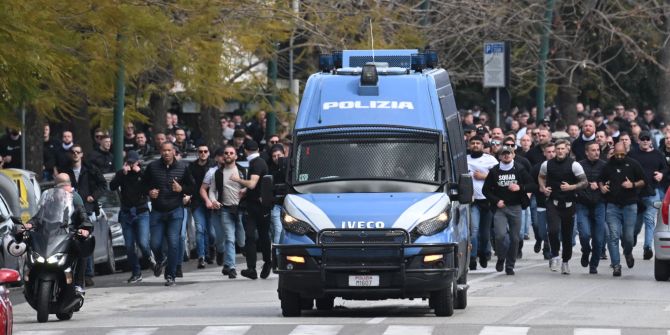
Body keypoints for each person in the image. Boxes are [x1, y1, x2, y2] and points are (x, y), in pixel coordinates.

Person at [19, 173, 93, 293]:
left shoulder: (75, 198)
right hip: (50, 235)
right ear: (56, 188)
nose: (65, 191)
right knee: (31, 247)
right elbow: (38, 217)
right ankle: (29, 281)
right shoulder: (49, 200)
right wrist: (29, 224)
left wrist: (84, 228)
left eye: (66, 187)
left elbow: (83, 216)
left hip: (68, 236)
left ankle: (78, 284)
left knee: (81, 250)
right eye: (61, 188)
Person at [143, 142, 195, 286]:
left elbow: (192, 187)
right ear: (161, 152)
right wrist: (149, 192)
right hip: (157, 211)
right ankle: (161, 259)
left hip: (175, 210)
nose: (166, 153)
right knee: (154, 243)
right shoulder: (152, 167)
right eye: (164, 150)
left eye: (169, 150)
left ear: (173, 152)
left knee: (173, 243)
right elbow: (143, 184)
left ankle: (170, 275)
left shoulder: (183, 167)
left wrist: (181, 188)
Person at [482, 145, 536, 275]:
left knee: (515, 238)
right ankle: (501, 257)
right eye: (503, 154)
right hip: (501, 208)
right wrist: (496, 201)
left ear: (513, 155)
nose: (506, 155)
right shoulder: (495, 171)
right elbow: (486, 190)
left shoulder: (520, 169)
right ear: (499, 156)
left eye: (509, 153)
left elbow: (533, 185)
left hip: (516, 207)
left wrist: (520, 187)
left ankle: (510, 265)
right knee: (500, 235)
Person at [538, 139, 588, 274]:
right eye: (557, 149)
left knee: (567, 235)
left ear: (567, 149)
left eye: (562, 149)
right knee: (553, 230)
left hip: (569, 203)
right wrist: (543, 188)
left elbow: (584, 182)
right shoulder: (547, 164)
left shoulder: (575, 165)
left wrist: (571, 187)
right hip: (553, 202)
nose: (559, 151)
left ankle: (565, 261)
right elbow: (541, 177)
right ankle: (555, 256)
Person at [61, 144, 107, 286]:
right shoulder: (65, 171)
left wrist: (93, 196)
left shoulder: (90, 169)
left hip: (87, 209)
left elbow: (103, 185)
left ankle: (87, 274)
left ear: (82, 155)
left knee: (86, 241)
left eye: (78, 152)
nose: (75, 154)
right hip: (69, 210)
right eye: (73, 152)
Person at [599, 142, 646, 277]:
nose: (619, 157)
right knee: (613, 236)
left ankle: (627, 252)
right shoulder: (608, 165)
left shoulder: (633, 164)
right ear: (613, 153)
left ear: (626, 152)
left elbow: (644, 181)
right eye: (617, 154)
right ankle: (616, 265)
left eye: (622, 154)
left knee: (629, 237)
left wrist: (632, 184)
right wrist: (602, 187)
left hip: (630, 205)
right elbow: (600, 180)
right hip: (613, 206)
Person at [109, 151, 154, 283]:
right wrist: (122, 174)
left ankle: (150, 258)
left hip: (141, 212)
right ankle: (136, 272)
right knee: (129, 245)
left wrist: (139, 172)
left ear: (137, 162)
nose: (130, 165)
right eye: (128, 162)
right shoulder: (122, 174)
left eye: (132, 162)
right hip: (126, 212)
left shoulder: (143, 173)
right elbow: (112, 187)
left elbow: (149, 188)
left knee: (143, 242)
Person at [202, 146, 247, 278]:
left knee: (242, 241)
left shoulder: (242, 171)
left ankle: (227, 264)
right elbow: (211, 190)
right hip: (225, 209)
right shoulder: (218, 173)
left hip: (240, 209)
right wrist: (213, 200)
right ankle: (232, 267)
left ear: (236, 156)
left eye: (231, 153)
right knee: (229, 238)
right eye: (226, 153)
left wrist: (245, 190)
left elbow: (250, 186)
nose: (228, 155)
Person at [231, 140, 271, 280]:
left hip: (256, 206)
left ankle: (254, 267)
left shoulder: (256, 163)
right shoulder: (259, 162)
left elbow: (253, 184)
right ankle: (262, 264)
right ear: (257, 148)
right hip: (261, 205)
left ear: (245, 150)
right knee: (262, 236)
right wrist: (245, 190)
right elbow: (257, 184)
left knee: (251, 236)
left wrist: (238, 180)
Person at [628, 130, 668, 260]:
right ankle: (632, 237)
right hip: (635, 194)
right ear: (638, 140)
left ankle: (647, 248)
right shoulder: (632, 154)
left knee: (650, 220)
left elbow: (666, 168)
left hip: (652, 193)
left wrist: (661, 174)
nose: (645, 141)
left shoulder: (658, 155)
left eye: (647, 139)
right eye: (643, 138)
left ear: (651, 140)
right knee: (636, 223)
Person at [467, 136, 498, 270]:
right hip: (473, 201)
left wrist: (484, 176)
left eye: (478, 143)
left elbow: (499, 175)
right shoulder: (465, 160)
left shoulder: (490, 159)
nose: (475, 145)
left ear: (482, 145)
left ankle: (483, 253)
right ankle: (472, 257)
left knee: (485, 233)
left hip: (487, 200)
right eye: (473, 143)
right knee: (474, 231)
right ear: (469, 145)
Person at [575, 141, 607, 274]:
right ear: (587, 152)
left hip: (599, 204)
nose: (596, 152)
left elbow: (608, 183)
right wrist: (587, 186)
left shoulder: (604, 166)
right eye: (593, 150)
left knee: (599, 239)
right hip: (582, 204)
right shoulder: (579, 166)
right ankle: (585, 250)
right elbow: (575, 184)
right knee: (584, 234)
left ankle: (593, 264)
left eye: (598, 150)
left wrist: (600, 187)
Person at [188, 145, 216, 268]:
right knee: (200, 229)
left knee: (211, 232)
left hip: (211, 202)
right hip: (197, 202)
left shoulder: (213, 166)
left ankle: (211, 250)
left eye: (205, 151)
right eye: (200, 151)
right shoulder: (191, 167)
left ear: (208, 153)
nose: (203, 153)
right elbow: (188, 183)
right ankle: (201, 257)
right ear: (197, 153)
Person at [268, 144, 286, 245]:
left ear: (284, 154)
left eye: (278, 155)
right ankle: (277, 254)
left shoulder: (289, 168)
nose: (276, 158)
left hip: (287, 203)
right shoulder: (270, 170)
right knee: (278, 229)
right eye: (274, 156)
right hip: (275, 204)